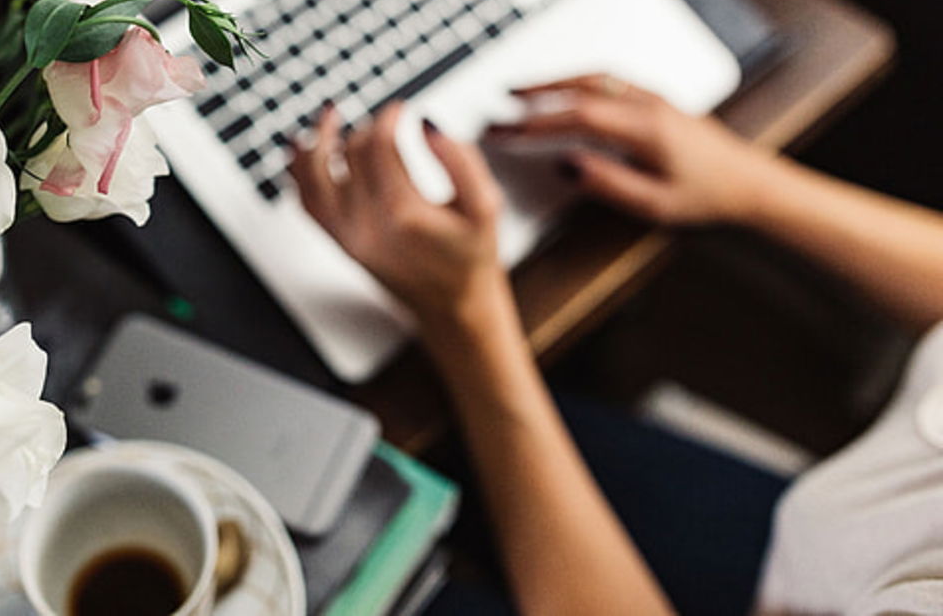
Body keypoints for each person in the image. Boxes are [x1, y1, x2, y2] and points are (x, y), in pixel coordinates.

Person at [289, 74, 943, 615]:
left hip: (815, 573)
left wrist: (468, 329)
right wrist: (750, 183)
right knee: (420, 422)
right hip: (819, 536)